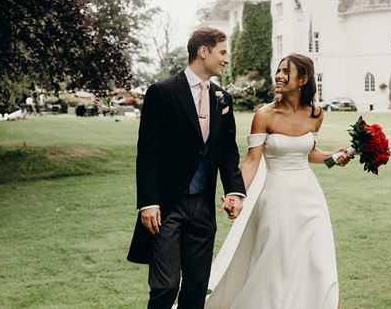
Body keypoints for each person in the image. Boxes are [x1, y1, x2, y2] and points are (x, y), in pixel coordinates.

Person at [205, 53, 352, 309]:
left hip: (310, 198)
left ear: (303, 78)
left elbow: (308, 153)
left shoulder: (316, 114)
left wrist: (333, 156)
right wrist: (235, 193)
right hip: (276, 197)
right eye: (279, 70)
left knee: (318, 259)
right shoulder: (264, 115)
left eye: (286, 71)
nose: (279, 75)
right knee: (277, 262)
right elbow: (252, 161)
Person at [127, 27, 247, 309]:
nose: (226, 59)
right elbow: (147, 152)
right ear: (203, 52)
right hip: (167, 206)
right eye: (222, 52)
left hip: (204, 208)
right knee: (166, 285)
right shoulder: (162, 92)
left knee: (195, 287)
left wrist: (235, 192)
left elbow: (228, 152)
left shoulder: (223, 99)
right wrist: (148, 203)